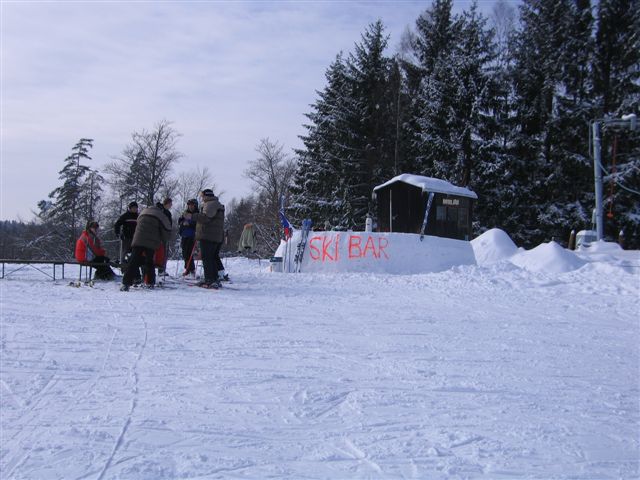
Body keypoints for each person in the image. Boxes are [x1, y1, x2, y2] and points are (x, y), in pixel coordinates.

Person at [121, 204, 172, 291]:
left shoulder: (143, 212)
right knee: (149, 262)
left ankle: (126, 283)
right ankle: (150, 282)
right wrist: (163, 239)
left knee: (133, 261)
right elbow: (167, 230)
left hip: (138, 240)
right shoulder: (160, 215)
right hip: (150, 242)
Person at [190, 189, 225, 288]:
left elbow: (205, 218)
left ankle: (209, 279)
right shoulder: (217, 204)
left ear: (206, 196)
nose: (202, 198)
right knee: (212, 257)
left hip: (208, 235)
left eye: (202, 196)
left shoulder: (210, 204)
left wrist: (193, 216)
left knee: (207, 258)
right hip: (215, 236)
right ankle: (214, 278)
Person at [178, 199, 198, 276]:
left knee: (189, 253)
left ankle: (190, 269)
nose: (190, 206)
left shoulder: (196, 214)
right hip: (184, 235)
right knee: (184, 253)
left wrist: (189, 224)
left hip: (192, 235)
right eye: (189, 205)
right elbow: (179, 221)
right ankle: (188, 268)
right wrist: (183, 222)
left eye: (192, 205)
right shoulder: (185, 213)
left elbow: (197, 225)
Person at [154, 198, 173, 275]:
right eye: (170, 204)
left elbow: (169, 224)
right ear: (167, 203)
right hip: (158, 233)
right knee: (157, 251)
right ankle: (157, 269)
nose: (171, 205)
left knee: (163, 252)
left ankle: (161, 269)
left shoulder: (167, 212)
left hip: (163, 234)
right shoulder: (160, 210)